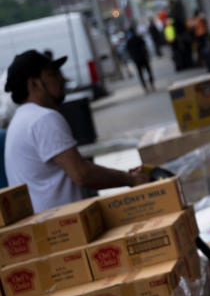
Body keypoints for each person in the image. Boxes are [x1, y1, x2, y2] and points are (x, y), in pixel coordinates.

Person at [3, 50, 150, 211]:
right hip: (60, 227)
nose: (62, 78)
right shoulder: (43, 119)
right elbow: (82, 174)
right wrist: (132, 180)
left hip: (46, 224)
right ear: (34, 84)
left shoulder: (20, 120)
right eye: (53, 74)